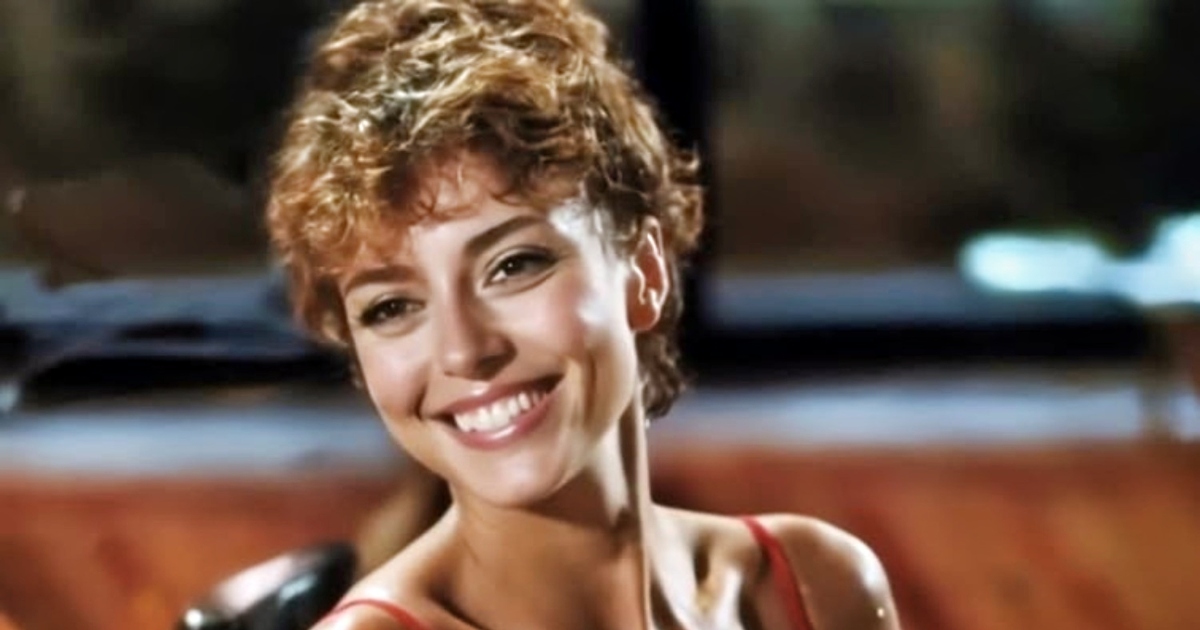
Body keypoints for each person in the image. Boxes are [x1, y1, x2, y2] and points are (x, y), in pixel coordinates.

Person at [266, 0, 900, 628]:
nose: (464, 351)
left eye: (513, 265)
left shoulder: (813, 587)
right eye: (392, 307)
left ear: (644, 273)